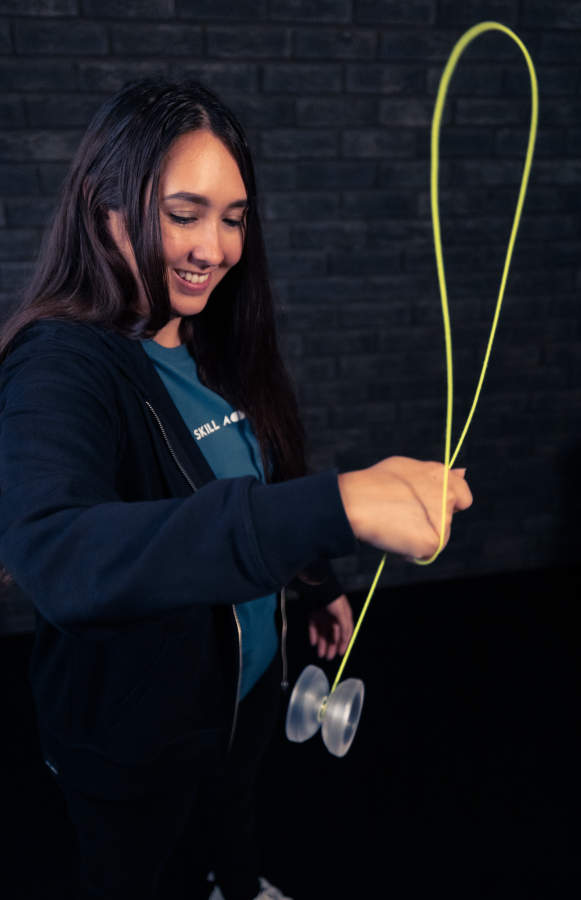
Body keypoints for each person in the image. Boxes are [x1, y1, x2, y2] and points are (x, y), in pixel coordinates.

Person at [0, 77, 472, 900]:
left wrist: (314, 580)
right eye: (184, 215)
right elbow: (58, 553)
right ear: (107, 209)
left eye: (233, 218)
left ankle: (240, 883)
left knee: (233, 811)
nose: (213, 249)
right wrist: (336, 506)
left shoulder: (215, 337)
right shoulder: (60, 365)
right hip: (134, 734)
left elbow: (258, 475)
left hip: (243, 683)